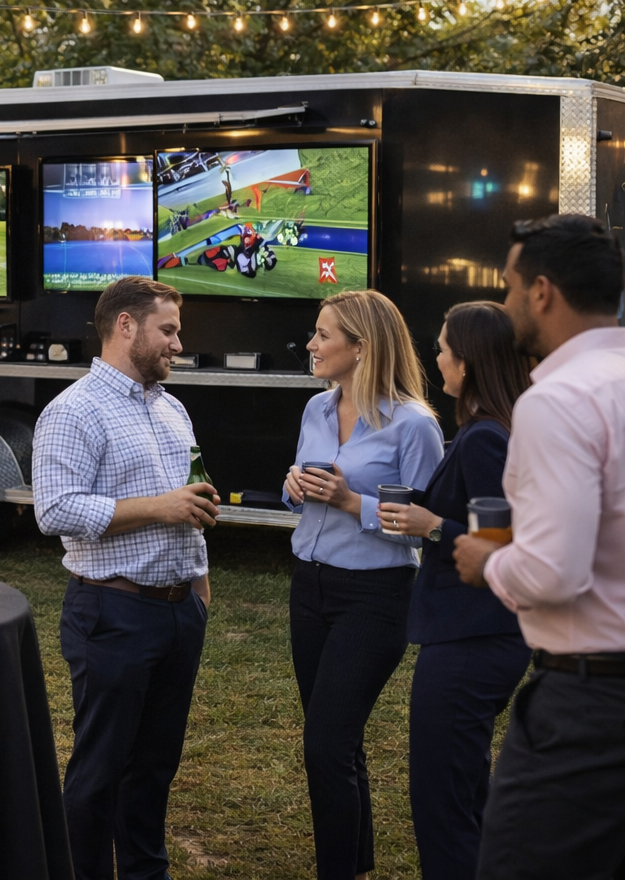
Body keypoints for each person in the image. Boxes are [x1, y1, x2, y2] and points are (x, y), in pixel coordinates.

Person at [453, 215, 625, 880]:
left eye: (510, 288)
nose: (507, 302)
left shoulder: (559, 401)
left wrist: (488, 559)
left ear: (543, 292)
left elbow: (552, 571)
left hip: (599, 708)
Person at [33, 276, 217, 880]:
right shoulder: (74, 409)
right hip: (112, 613)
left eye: (178, 332)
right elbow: (55, 510)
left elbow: (189, 499)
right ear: (126, 326)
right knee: (99, 771)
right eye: (168, 330)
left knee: (155, 767)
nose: (177, 344)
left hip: (177, 611)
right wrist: (155, 507)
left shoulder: (173, 407)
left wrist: (199, 584)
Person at [282, 288, 444, 880]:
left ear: (362, 346)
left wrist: (355, 502)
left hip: (375, 599)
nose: (312, 344)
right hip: (310, 589)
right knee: (336, 741)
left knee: (325, 745)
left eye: (324, 335)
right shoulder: (316, 410)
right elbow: (298, 488)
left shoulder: (414, 425)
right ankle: (354, 863)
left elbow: (423, 530)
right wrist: (293, 486)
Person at [372, 301, 532, 880]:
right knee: (465, 790)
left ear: (468, 361)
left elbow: (504, 543)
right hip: (479, 637)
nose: (435, 356)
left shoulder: (487, 436)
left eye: (442, 347)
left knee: (444, 800)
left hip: (473, 638)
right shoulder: (491, 428)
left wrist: (431, 525)